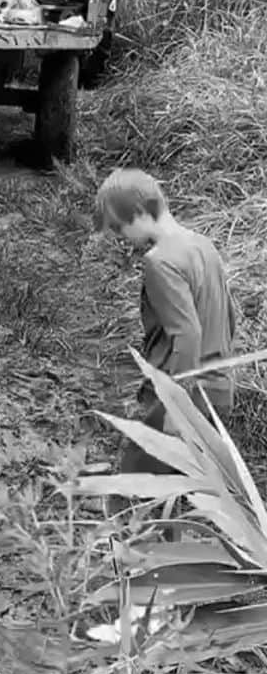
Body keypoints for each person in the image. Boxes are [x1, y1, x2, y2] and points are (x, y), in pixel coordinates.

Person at [94, 167, 237, 477]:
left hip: (181, 396)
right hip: (218, 391)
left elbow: (187, 335)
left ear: (141, 212)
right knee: (194, 494)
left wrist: (176, 408)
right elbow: (229, 318)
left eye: (119, 227)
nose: (121, 238)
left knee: (138, 494)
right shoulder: (203, 245)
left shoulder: (159, 261)